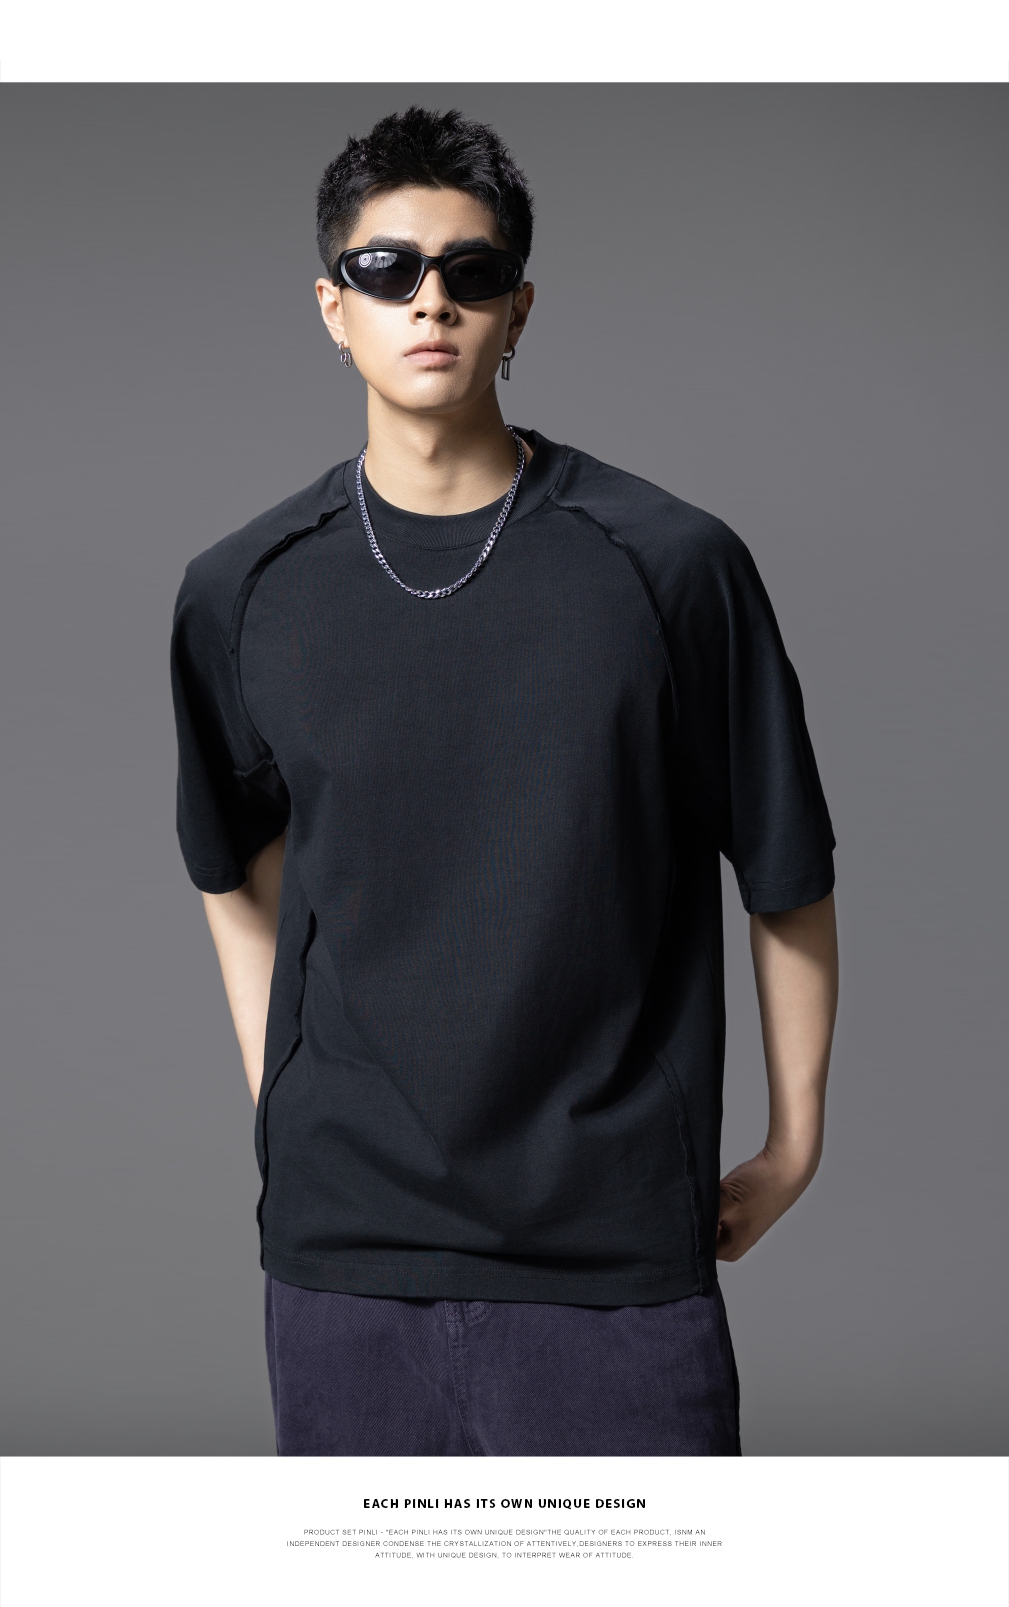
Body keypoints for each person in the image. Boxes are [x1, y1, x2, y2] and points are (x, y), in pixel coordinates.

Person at [170, 105, 838, 1458]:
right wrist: (288, 1108)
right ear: (332, 306)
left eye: (470, 273)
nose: (431, 301)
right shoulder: (242, 590)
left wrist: (794, 1145)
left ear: (518, 308)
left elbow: (784, 872)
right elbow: (230, 869)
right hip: (344, 1257)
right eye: (387, 270)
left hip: (612, 1249)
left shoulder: (670, 565)